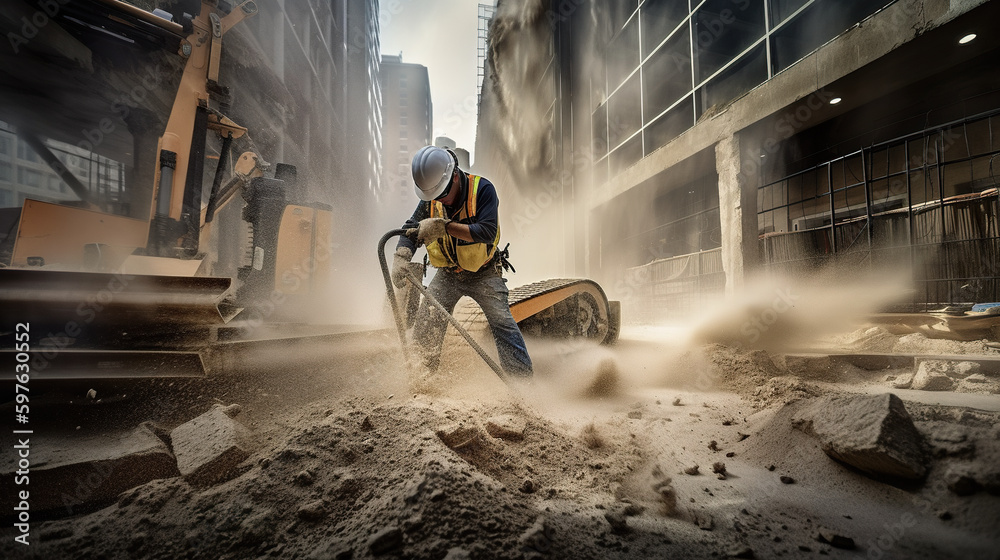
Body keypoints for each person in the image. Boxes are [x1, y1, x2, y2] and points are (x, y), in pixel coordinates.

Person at [391, 145, 533, 377]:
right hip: (448, 275)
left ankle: (522, 385)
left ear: (455, 175)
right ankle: (422, 379)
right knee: (427, 321)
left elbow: (486, 231)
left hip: (485, 273)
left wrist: (444, 227)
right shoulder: (432, 198)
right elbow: (410, 229)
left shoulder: (483, 190)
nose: (440, 201)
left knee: (503, 324)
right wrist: (402, 255)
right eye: (434, 197)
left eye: (442, 194)